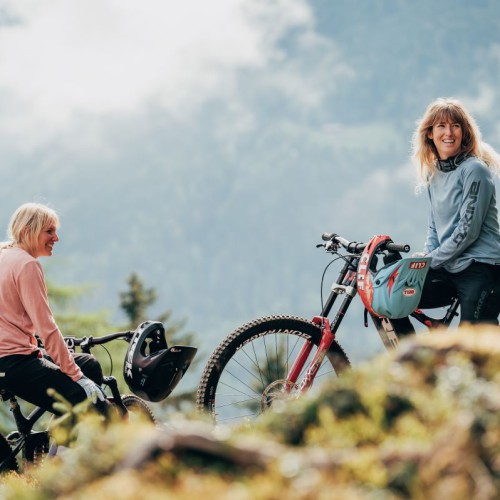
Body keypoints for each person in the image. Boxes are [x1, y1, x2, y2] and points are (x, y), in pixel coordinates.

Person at [394, 97, 500, 334]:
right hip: (449, 265)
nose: (449, 132)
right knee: (390, 297)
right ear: (430, 133)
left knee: (473, 346)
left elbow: (467, 231)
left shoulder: (474, 170)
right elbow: (435, 228)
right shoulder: (434, 174)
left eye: (455, 126)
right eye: (441, 126)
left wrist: (431, 260)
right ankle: (414, 364)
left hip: (481, 267)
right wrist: (426, 257)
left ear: (464, 132)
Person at [0, 202, 108, 415]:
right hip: (15, 363)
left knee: (89, 364)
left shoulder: (4, 253)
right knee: (94, 405)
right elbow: (47, 328)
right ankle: (82, 442)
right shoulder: (27, 265)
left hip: (12, 359)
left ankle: (68, 434)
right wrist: (77, 377)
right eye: (49, 231)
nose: (56, 238)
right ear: (27, 232)